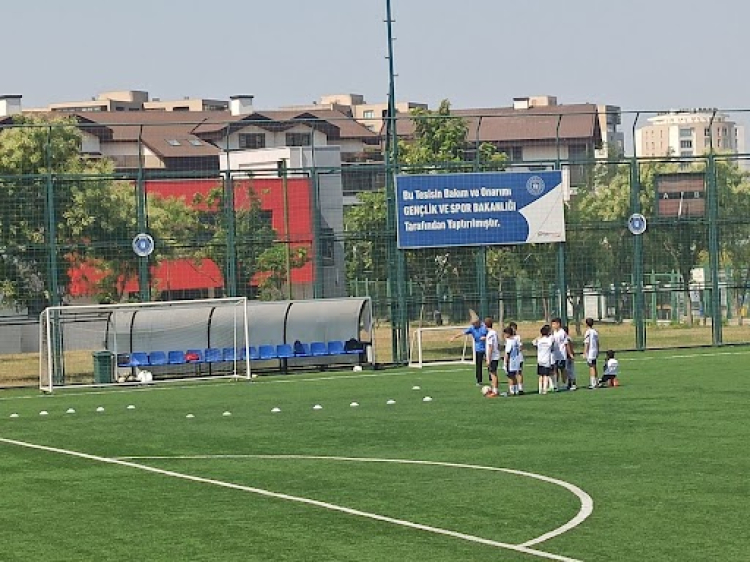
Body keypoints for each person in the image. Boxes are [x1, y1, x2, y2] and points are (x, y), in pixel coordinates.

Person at [451, 312, 488, 386]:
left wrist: (485, 338)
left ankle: (492, 378)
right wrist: (454, 337)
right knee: (478, 365)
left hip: (487, 348)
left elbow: (491, 335)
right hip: (478, 349)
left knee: (489, 364)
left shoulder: (484, 327)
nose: (474, 324)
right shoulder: (472, 328)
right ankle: (479, 380)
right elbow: (462, 333)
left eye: (475, 323)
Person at [532, 324, 555, 395]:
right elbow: (553, 341)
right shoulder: (549, 340)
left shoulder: (539, 340)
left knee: (540, 375)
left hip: (540, 360)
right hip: (546, 360)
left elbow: (533, 342)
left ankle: (540, 389)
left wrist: (540, 337)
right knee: (546, 375)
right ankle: (544, 389)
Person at [503, 326, 522, 396]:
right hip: (516, 361)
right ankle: (516, 390)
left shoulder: (509, 342)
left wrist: (505, 362)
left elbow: (507, 353)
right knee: (514, 376)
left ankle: (511, 391)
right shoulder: (515, 340)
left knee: (510, 377)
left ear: (508, 334)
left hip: (510, 361)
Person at [484, 318, 501, 397]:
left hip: (492, 357)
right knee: (492, 373)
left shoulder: (490, 334)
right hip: (495, 355)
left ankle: (495, 391)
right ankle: (494, 390)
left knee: (493, 374)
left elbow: (490, 347)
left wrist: (488, 359)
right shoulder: (494, 333)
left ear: (485, 325)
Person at [550, 317, 568, 391]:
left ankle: (565, 383)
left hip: (562, 355)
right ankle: (556, 384)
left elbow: (566, 343)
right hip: (555, 354)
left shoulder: (562, 332)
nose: (553, 326)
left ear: (558, 324)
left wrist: (569, 353)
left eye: (554, 324)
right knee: (555, 369)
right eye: (552, 324)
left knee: (562, 369)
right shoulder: (553, 333)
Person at [583, 318, 600, 390]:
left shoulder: (588, 332)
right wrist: (598, 350)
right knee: (594, 366)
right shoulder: (595, 332)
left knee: (591, 367)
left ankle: (593, 383)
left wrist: (585, 352)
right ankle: (596, 382)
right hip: (595, 350)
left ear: (586, 324)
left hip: (590, 352)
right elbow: (597, 342)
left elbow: (587, 343)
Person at [508, 321, 525, 395]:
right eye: (512, 328)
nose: (513, 330)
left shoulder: (517, 337)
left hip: (518, 358)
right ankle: (513, 390)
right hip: (511, 358)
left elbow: (521, 347)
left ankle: (520, 388)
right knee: (511, 374)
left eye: (514, 328)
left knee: (519, 372)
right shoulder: (508, 338)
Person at [563, 325, 577, 391]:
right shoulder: (567, 337)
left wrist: (571, 354)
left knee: (570, 371)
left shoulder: (567, 338)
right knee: (568, 371)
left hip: (568, 356)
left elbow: (569, 347)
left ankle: (573, 384)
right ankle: (569, 384)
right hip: (566, 356)